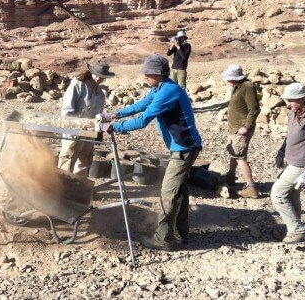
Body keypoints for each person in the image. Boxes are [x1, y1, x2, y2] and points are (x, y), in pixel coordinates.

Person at [98, 55, 202, 251]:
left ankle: (163, 239)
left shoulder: (168, 92)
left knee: (168, 193)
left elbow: (143, 120)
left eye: (147, 74)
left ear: (157, 74)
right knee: (179, 192)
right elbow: (141, 105)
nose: (145, 77)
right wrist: (115, 114)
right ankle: (181, 233)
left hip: (184, 149)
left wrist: (114, 128)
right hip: (183, 147)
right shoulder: (160, 88)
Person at [271, 83, 305, 244]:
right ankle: (295, 230)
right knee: (292, 198)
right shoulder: (294, 112)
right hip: (290, 161)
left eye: (292, 100)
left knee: (277, 194)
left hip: (299, 165)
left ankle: (297, 230)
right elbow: (290, 136)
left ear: (302, 98)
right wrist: (281, 152)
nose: (289, 103)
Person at [58, 60, 115, 178]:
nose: (99, 79)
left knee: (84, 162)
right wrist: (79, 124)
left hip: (89, 133)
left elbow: (99, 115)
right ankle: (62, 187)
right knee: (68, 159)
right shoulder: (78, 84)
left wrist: (99, 130)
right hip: (73, 130)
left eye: (102, 77)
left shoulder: (100, 93)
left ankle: (79, 186)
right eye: (98, 76)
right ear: (92, 73)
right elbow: (66, 111)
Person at [220, 64, 261, 198]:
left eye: (229, 78)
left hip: (241, 128)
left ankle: (251, 187)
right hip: (234, 127)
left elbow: (254, 109)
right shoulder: (237, 86)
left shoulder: (247, 87)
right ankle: (231, 176)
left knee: (240, 157)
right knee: (233, 152)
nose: (227, 81)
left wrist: (247, 126)